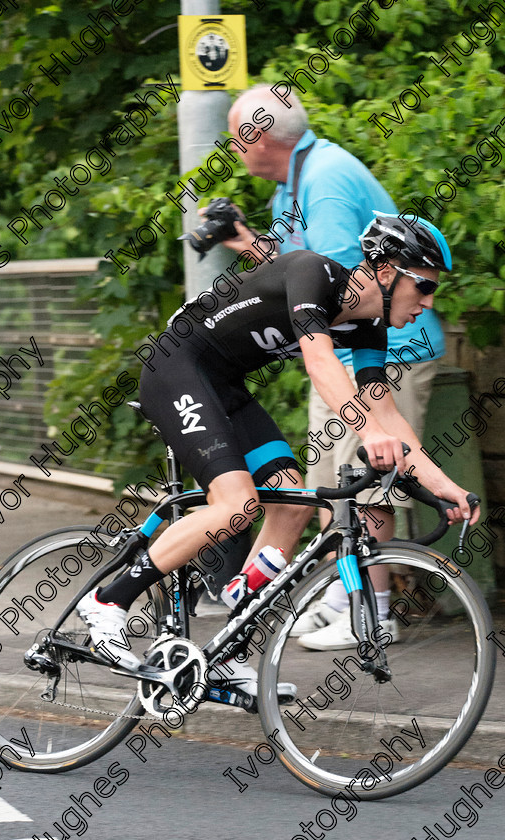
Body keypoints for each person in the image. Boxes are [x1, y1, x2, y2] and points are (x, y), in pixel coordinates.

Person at [77, 214, 478, 702]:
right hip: (176, 368)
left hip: (223, 388)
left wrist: (443, 485)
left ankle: (226, 654)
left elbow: (385, 410)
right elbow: (320, 362)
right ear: (389, 271)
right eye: (426, 286)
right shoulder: (315, 275)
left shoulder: (371, 326)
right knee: (236, 506)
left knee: (293, 504)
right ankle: (107, 600)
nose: (430, 302)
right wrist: (368, 432)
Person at [217, 85, 446, 650]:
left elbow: (356, 294)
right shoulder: (293, 184)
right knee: (328, 487)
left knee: (363, 484)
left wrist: (354, 396)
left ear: (260, 137)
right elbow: (298, 276)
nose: (231, 148)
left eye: (235, 136)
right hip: (341, 352)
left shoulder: (323, 183)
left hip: (381, 349)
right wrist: (244, 243)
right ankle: (347, 596)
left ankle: (373, 611)